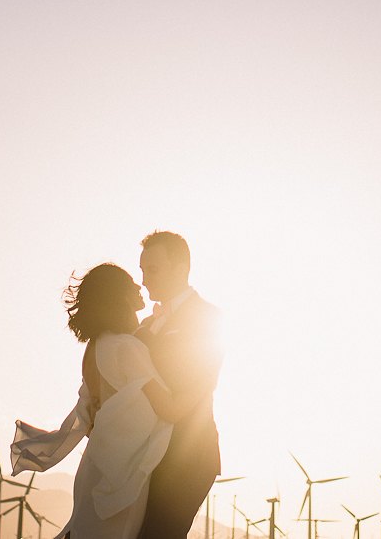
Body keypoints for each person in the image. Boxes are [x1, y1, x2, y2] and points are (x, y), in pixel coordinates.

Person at [11, 264, 173, 539]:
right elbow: (166, 406)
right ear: (119, 294)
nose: (138, 286)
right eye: (131, 282)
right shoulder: (128, 347)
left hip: (97, 464)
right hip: (122, 473)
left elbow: (91, 414)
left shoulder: (95, 347)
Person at [133, 231, 223, 539]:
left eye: (152, 270)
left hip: (188, 456)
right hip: (149, 455)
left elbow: (189, 390)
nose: (143, 280)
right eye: (142, 270)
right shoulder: (145, 325)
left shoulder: (208, 318)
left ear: (181, 267)